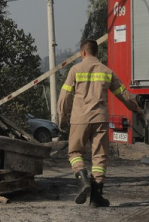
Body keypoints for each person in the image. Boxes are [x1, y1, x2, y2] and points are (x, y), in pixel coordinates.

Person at [57, 39, 143, 206]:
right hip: (100, 119)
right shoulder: (106, 71)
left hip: (80, 119)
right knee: (100, 157)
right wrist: (137, 110)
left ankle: (82, 181)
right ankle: (96, 197)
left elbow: (65, 96)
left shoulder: (75, 70)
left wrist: (63, 117)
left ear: (83, 53)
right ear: (96, 52)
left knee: (75, 153)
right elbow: (123, 94)